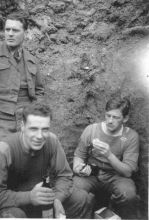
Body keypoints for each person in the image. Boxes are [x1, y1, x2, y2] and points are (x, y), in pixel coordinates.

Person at [0, 102, 94, 218]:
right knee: (13, 216)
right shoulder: (4, 150)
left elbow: (64, 175)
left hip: (43, 197)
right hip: (15, 203)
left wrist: (57, 199)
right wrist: (29, 197)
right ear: (22, 126)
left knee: (81, 198)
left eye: (45, 129)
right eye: (33, 129)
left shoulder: (51, 141)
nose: (40, 136)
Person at [73, 96, 139, 219]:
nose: (110, 121)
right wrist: (79, 168)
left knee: (128, 194)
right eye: (108, 115)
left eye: (115, 117)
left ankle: (114, 212)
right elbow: (79, 156)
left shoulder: (131, 136)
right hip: (92, 174)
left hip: (117, 176)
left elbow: (128, 172)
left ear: (125, 118)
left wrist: (108, 155)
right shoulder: (91, 130)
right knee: (75, 192)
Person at [0, 11, 44, 140]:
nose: (10, 34)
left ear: (25, 33)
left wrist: (38, 114)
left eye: (15, 30)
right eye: (7, 29)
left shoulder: (32, 60)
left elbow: (39, 91)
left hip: (25, 120)